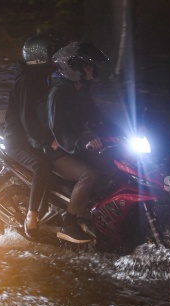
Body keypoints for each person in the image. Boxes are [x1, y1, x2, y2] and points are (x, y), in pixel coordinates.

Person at [47, 42, 115, 244]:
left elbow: (99, 119)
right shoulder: (58, 94)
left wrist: (127, 131)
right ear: (72, 67)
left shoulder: (82, 92)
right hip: (60, 152)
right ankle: (69, 222)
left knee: (111, 168)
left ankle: (92, 215)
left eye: (92, 66)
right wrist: (85, 141)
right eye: (87, 66)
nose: (92, 70)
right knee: (89, 175)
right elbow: (61, 133)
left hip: (77, 148)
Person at [3, 34, 67, 240]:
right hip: (17, 140)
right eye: (52, 54)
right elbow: (28, 121)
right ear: (41, 56)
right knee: (42, 165)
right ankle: (32, 215)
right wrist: (49, 140)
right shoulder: (27, 82)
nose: (56, 59)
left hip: (33, 138)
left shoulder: (42, 78)